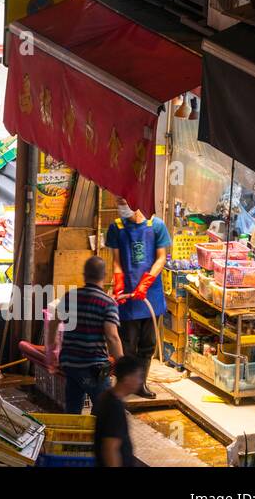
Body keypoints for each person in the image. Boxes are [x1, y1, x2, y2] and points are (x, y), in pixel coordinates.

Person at [107, 199, 169, 399]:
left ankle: (141, 384)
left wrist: (147, 281)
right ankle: (124, 384)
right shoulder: (116, 227)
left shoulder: (157, 225)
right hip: (127, 297)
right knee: (127, 343)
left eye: (123, 201)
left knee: (148, 344)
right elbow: (117, 262)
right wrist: (118, 282)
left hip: (151, 296)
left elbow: (161, 258)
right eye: (119, 202)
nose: (121, 205)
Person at [53, 255, 124, 414]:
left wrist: (52, 350)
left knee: (72, 409)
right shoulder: (107, 303)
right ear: (104, 276)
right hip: (93, 368)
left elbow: (53, 322)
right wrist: (121, 363)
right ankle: (94, 435)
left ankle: (72, 437)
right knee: (105, 408)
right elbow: (112, 337)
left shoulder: (70, 297)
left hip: (70, 365)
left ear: (84, 276)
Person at [93, 355, 144, 467]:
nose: (140, 381)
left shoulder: (107, 396)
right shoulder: (114, 408)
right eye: (138, 376)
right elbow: (110, 449)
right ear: (127, 378)